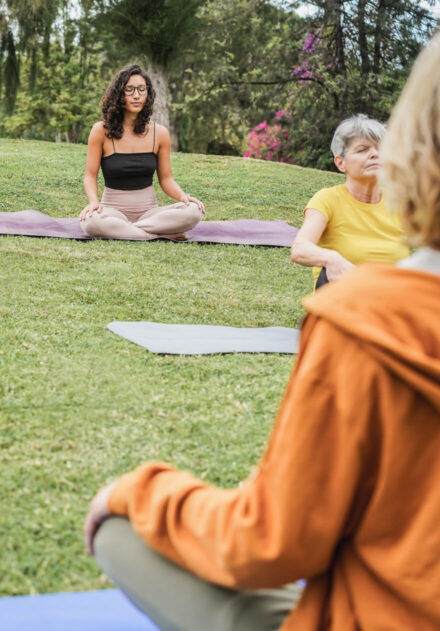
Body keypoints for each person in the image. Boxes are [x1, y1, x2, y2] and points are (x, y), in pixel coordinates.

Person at [83, 32, 440, 631]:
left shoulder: (368, 325)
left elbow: (270, 543)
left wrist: (135, 492)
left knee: (122, 530)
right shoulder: (328, 201)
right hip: (117, 212)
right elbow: (91, 180)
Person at [80, 65, 204, 240]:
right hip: (112, 211)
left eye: (141, 90)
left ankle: (129, 231)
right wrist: (93, 202)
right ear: (119, 95)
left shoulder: (159, 133)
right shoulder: (100, 131)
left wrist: (183, 196)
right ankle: (161, 235)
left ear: (148, 94)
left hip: (150, 214)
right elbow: (90, 176)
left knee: (194, 211)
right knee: (91, 221)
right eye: (129, 90)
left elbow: (166, 179)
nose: (136, 95)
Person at [290, 114, 408, 289]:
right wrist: (332, 258)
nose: (374, 154)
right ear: (340, 163)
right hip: (344, 302)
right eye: (362, 150)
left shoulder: (397, 202)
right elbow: (300, 249)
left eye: (379, 149)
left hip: (394, 302)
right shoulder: (327, 199)